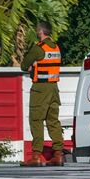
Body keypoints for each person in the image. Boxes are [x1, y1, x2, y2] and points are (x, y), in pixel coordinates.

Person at [22, 23, 64, 166]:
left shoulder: (38, 49)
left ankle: (36, 156)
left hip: (40, 89)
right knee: (53, 121)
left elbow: (23, 65)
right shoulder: (56, 47)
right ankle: (58, 154)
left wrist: (31, 66)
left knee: (36, 120)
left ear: (40, 32)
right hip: (54, 88)